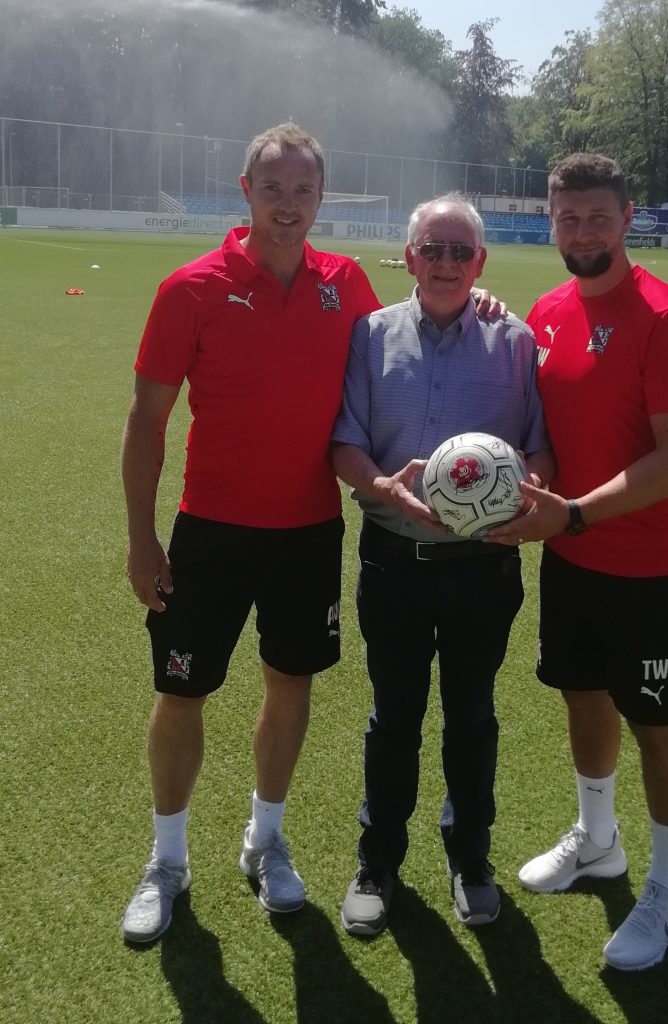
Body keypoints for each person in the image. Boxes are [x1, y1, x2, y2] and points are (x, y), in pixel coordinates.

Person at [120, 123, 503, 945]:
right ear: (244, 189)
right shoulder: (190, 288)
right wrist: (141, 539)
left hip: (307, 534)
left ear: (321, 197)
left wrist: (480, 303)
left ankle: (265, 842)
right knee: (182, 691)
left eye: (303, 191)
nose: (288, 206)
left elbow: (417, 323)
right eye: (273, 189)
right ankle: (167, 862)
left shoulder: (346, 285)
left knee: (288, 686)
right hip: (209, 530)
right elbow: (147, 422)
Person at [487, 153, 668, 972]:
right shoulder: (546, 311)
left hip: (647, 562)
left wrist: (574, 513)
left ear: (627, 217)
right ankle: (598, 839)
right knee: (581, 696)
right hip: (572, 553)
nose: (582, 231)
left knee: (655, 721)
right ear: (551, 221)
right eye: (567, 218)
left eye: (597, 217)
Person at [331, 194, 553, 936]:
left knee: (472, 717)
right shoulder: (369, 335)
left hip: (482, 569)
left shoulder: (514, 341)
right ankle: (378, 862)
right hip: (392, 560)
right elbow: (344, 444)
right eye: (435, 248)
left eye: (462, 251)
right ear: (411, 256)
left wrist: (526, 502)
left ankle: (471, 860)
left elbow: (539, 450)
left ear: (481, 262)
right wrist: (382, 484)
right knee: (393, 717)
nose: (449, 262)